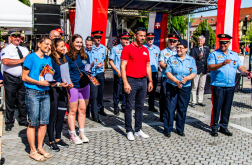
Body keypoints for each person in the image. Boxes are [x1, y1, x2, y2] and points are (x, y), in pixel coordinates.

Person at [207, 34, 252, 137]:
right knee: (217, 107)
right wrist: (222, 64)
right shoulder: (213, 54)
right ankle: (214, 127)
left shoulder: (234, 55)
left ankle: (224, 126)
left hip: (230, 85)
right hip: (218, 84)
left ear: (229, 43)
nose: (223, 45)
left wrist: (246, 73)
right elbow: (210, 67)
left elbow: (240, 67)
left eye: (225, 43)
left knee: (227, 107)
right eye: (221, 43)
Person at [22, 35, 55, 161]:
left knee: (43, 123)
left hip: (45, 93)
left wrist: (51, 81)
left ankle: (40, 147)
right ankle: (32, 150)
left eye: (50, 45)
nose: (48, 47)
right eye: (46, 44)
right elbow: (24, 77)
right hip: (33, 92)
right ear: (39, 44)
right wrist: (39, 83)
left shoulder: (48, 59)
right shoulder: (30, 57)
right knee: (33, 123)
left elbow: (48, 75)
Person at [121, 27, 153, 141]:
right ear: (135, 36)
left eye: (144, 36)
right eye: (141, 35)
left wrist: (150, 81)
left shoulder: (145, 49)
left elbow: (148, 66)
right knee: (129, 106)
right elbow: (123, 66)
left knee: (140, 106)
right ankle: (129, 130)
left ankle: (138, 129)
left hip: (143, 80)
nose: (143, 38)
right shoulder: (127, 48)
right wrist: (125, 82)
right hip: (131, 80)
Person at [164, 39, 197, 138]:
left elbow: (194, 72)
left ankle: (180, 129)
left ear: (186, 49)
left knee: (182, 108)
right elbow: (167, 72)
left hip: (185, 87)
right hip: (172, 86)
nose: (178, 49)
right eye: (177, 47)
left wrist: (187, 78)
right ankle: (168, 129)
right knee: (170, 108)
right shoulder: (171, 58)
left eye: (181, 48)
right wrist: (176, 81)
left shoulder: (191, 60)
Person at [47, 38, 73, 151]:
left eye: (64, 46)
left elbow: (66, 75)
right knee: (52, 116)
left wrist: (69, 83)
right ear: (55, 48)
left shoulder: (64, 59)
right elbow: (48, 78)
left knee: (61, 115)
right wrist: (59, 84)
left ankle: (58, 138)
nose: (64, 48)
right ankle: (51, 140)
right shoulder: (50, 60)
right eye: (61, 46)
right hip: (54, 91)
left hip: (63, 90)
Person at [1, 28, 29, 131]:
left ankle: (22, 119)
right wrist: (21, 60)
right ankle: (9, 121)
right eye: (15, 37)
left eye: (19, 37)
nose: (17, 38)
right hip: (10, 78)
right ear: (10, 37)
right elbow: (6, 61)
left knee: (22, 100)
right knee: (10, 100)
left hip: (22, 78)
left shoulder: (24, 49)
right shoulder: (6, 50)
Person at [65, 34, 90, 144]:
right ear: (72, 43)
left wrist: (94, 68)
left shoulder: (85, 55)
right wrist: (68, 83)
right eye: (77, 42)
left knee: (83, 110)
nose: (79, 44)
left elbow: (87, 69)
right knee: (73, 111)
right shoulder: (67, 56)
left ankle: (81, 132)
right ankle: (72, 134)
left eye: (81, 42)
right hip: (73, 86)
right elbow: (65, 73)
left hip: (84, 86)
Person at [159, 34, 179, 122]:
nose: (172, 42)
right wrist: (172, 67)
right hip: (166, 77)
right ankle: (162, 114)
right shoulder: (163, 52)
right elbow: (162, 64)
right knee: (164, 96)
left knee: (174, 97)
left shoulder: (179, 51)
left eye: (174, 41)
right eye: (170, 41)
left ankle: (172, 114)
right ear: (167, 41)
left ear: (177, 42)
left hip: (176, 79)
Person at [109, 32, 130, 115]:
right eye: (125, 39)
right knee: (117, 91)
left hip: (127, 73)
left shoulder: (130, 49)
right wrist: (117, 71)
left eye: (128, 39)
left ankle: (124, 106)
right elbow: (111, 61)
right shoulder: (115, 49)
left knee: (126, 90)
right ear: (120, 40)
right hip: (118, 73)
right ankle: (116, 107)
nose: (126, 40)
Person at [85, 36, 103, 122]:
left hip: (93, 76)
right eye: (87, 45)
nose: (88, 46)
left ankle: (95, 116)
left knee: (94, 95)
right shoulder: (82, 53)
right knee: (86, 95)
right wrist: (90, 66)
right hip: (85, 76)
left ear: (93, 44)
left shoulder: (95, 52)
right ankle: (86, 112)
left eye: (90, 45)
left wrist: (96, 66)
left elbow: (95, 65)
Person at [190, 35, 210, 107]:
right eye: (198, 41)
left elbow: (208, 59)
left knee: (202, 86)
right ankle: (193, 101)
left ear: (204, 42)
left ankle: (200, 100)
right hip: (196, 70)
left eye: (201, 41)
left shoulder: (206, 50)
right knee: (194, 86)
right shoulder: (193, 49)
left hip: (204, 70)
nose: (200, 42)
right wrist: (198, 57)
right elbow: (191, 59)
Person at [92, 30, 107, 116]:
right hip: (93, 73)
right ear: (93, 38)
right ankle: (92, 109)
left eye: (100, 37)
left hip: (100, 72)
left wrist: (104, 72)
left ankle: (101, 108)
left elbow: (104, 61)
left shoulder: (103, 48)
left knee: (101, 91)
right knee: (94, 92)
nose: (98, 39)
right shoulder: (90, 48)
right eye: (97, 37)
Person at [144, 32, 160, 112]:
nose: (150, 40)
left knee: (152, 89)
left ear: (154, 39)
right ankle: (140, 105)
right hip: (143, 71)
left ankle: (151, 105)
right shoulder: (142, 47)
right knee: (143, 89)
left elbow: (159, 60)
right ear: (146, 39)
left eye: (152, 39)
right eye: (149, 39)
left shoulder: (157, 49)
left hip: (154, 71)